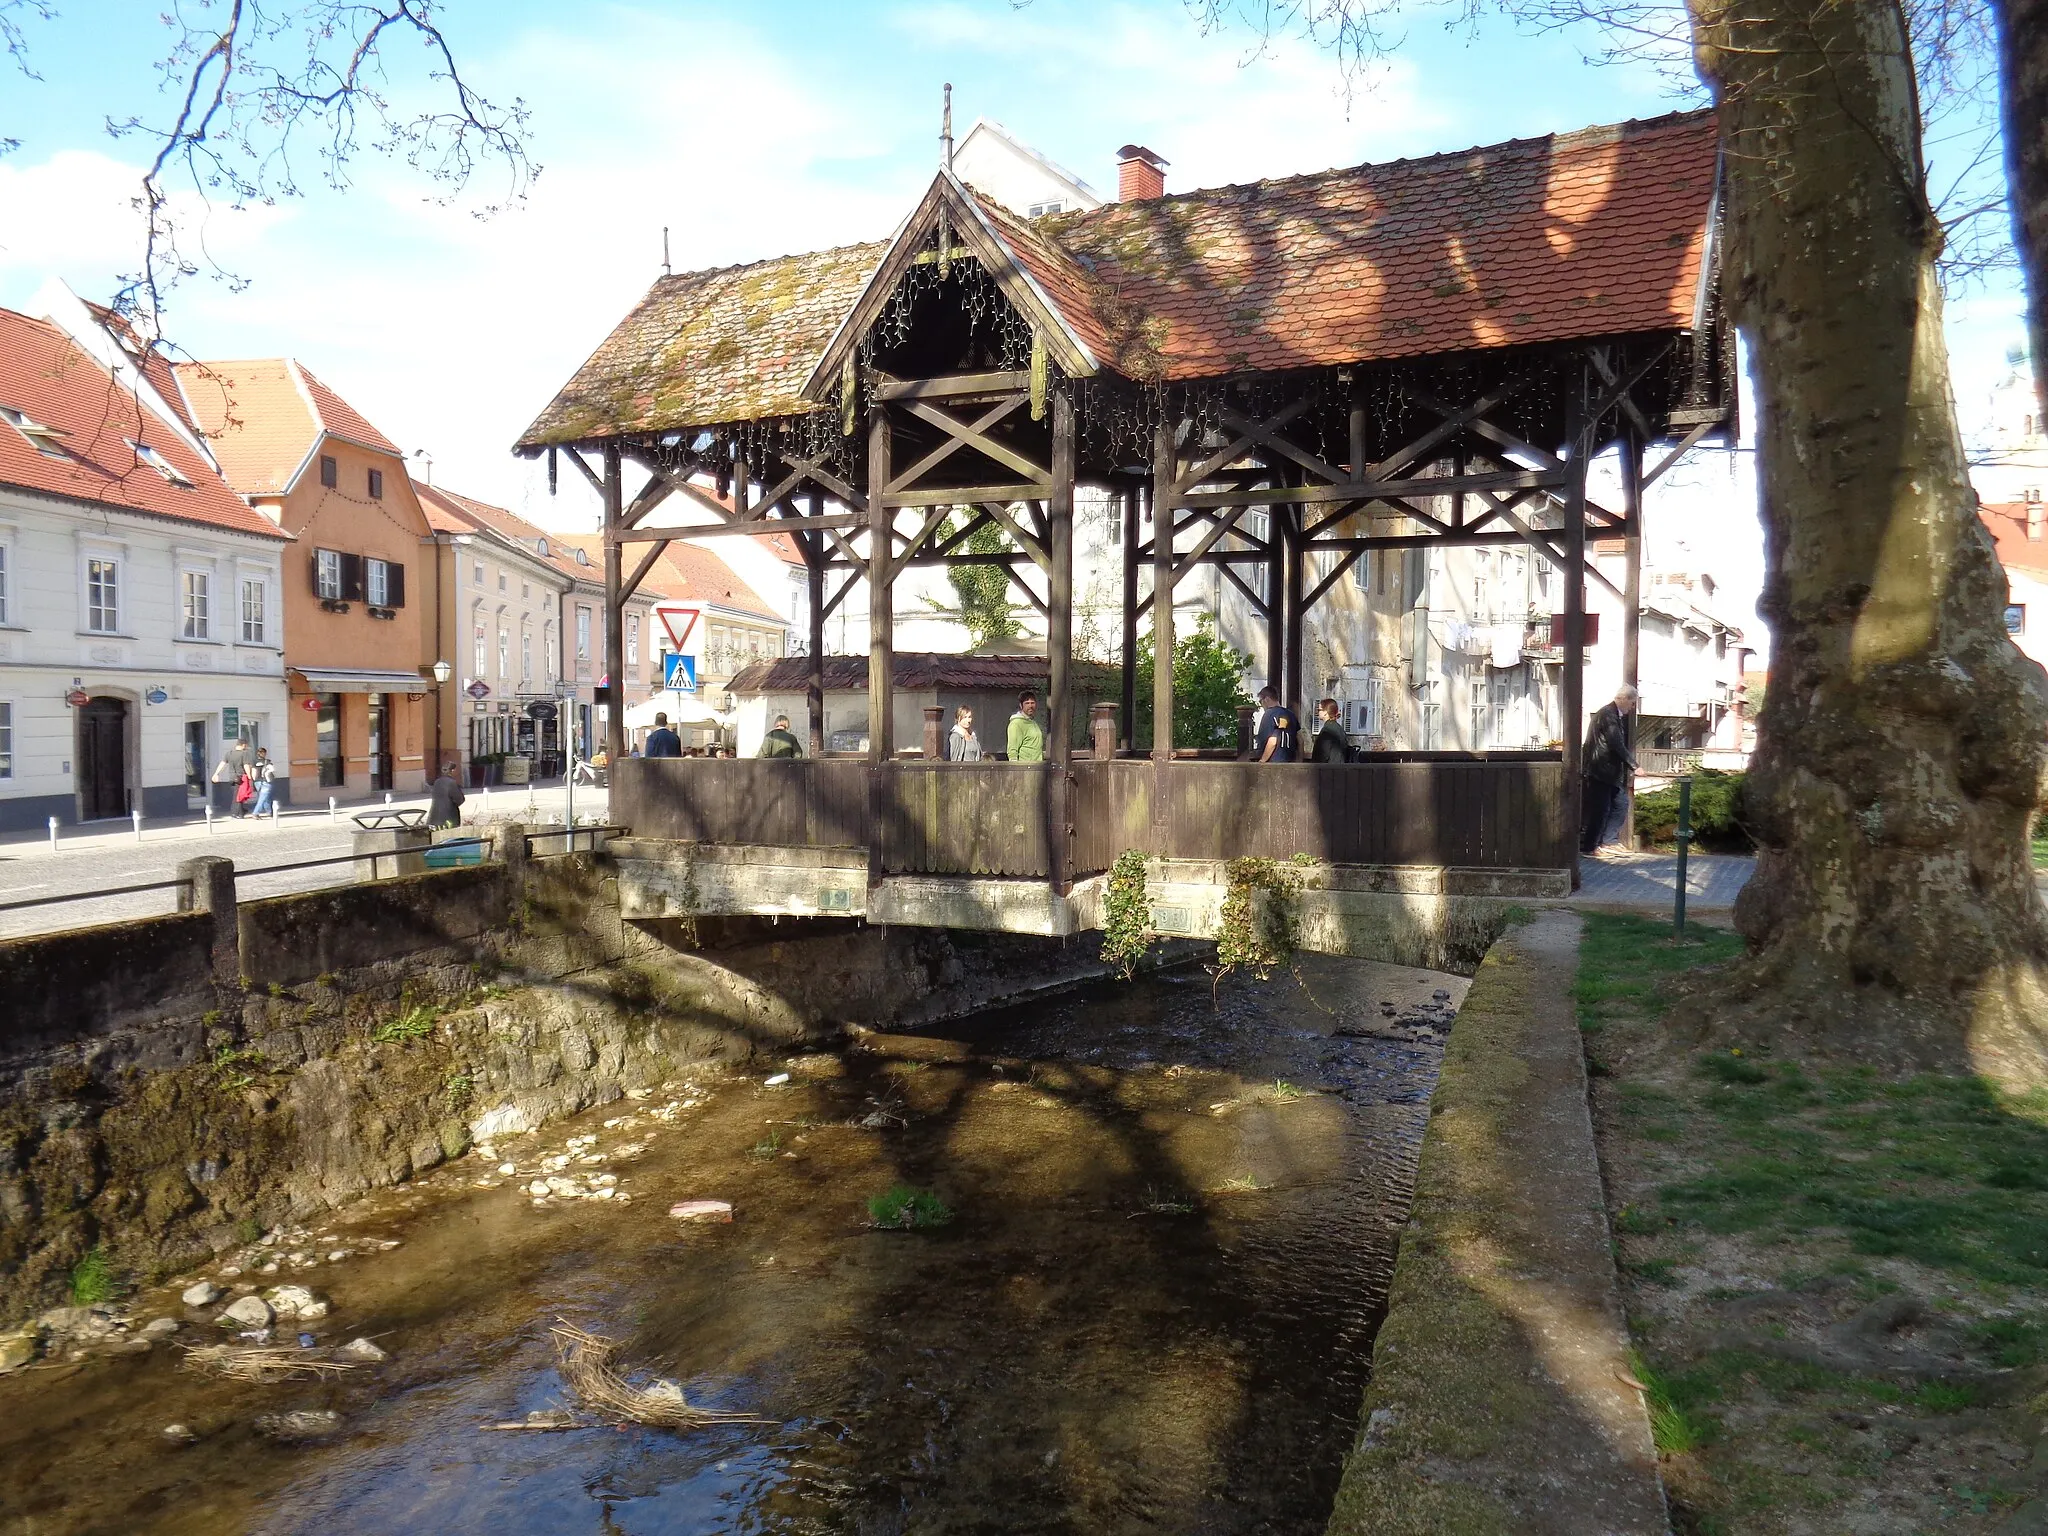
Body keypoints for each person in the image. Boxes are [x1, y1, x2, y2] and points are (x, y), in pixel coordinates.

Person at [1580, 685, 1639, 855]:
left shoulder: (1613, 715)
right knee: (1601, 809)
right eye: (1632, 703)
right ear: (1624, 699)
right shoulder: (1608, 715)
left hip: (1610, 772)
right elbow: (1616, 744)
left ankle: (1609, 841)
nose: (1632, 707)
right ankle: (1590, 846)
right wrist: (1634, 765)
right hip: (1600, 770)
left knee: (1621, 804)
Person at [1253, 687, 1301, 763]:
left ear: (1267, 699)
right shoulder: (1291, 715)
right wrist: (1299, 761)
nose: (1261, 705)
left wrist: (1263, 760)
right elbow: (1300, 740)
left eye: (1260, 701)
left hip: (1273, 761)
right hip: (1290, 761)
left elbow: (1273, 740)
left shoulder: (1270, 714)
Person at [1006, 691, 1045, 763]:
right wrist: (1015, 769)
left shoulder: (1033, 722)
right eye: (1027, 703)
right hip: (1025, 768)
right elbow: (1012, 749)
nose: (1030, 706)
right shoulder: (1016, 723)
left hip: (1037, 767)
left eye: (1032, 703)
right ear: (1021, 705)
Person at [426, 761, 465, 830]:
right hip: (449, 815)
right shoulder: (452, 783)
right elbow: (459, 799)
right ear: (452, 771)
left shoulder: (437, 782)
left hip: (435, 815)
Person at [1310, 698, 1349, 763]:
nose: (1317, 712)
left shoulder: (1327, 730)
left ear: (1325, 713)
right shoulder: (1339, 728)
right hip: (1339, 768)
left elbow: (1323, 754)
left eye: (1319, 710)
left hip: (1329, 770)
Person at [249, 748, 277, 816]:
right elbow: (272, 770)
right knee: (264, 797)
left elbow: (253, 772)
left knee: (263, 796)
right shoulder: (267, 761)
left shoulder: (254, 761)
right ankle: (256, 812)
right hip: (266, 781)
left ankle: (269, 811)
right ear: (264, 753)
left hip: (257, 781)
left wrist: (253, 780)